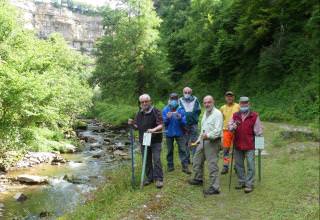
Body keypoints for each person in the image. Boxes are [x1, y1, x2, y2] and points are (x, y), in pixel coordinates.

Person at [188, 96, 223, 195]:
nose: (207, 104)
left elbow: (218, 130)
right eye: (205, 102)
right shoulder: (205, 113)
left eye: (209, 102)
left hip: (213, 142)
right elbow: (203, 129)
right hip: (203, 141)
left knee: (212, 165)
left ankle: (215, 188)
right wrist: (197, 141)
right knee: (196, 160)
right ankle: (199, 179)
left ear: (213, 102)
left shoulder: (217, 114)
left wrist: (207, 135)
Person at [128, 94, 164, 188]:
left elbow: (161, 124)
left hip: (156, 140)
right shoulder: (139, 113)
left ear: (150, 101)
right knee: (146, 160)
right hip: (144, 140)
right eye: (142, 102)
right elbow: (136, 127)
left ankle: (159, 179)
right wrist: (132, 124)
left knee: (156, 159)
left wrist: (153, 130)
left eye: (146, 101)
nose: (144, 103)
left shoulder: (156, 111)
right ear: (140, 103)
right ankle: (149, 178)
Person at [228, 96, 263, 193]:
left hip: (250, 145)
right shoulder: (235, 115)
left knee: (251, 165)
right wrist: (232, 127)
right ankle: (242, 181)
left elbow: (259, 131)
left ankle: (249, 184)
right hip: (238, 144)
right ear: (239, 104)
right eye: (242, 103)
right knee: (238, 165)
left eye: (245, 103)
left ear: (249, 104)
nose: (244, 105)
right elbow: (229, 126)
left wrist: (260, 145)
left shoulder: (254, 116)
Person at [162, 93, 191, 174]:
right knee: (169, 150)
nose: (173, 100)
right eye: (172, 98)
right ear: (169, 99)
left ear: (178, 99)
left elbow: (184, 123)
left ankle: (185, 167)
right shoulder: (165, 109)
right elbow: (163, 123)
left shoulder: (181, 109)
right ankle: (170, 166)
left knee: (182, 149)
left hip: (180, 132)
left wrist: (180, 118)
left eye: (175, 98)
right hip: (169, 133)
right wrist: (167, 118)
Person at [179, 87, 201, 164]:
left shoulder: (195, 99)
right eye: (185, 92)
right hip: (184, 125)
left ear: (191, 93)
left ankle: (194, 158)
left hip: (194, 124)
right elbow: (178, 111)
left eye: (188, 92)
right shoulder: (180, 100)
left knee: (194, 141)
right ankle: (186, 159)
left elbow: (199, 110)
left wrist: (194, 117)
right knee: (185, 142)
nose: (187, 94)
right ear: (183, 92)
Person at [219, 91, 240, 175]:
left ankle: (236, 166)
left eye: (231, 96)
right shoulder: (222, 108)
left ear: (233, 97)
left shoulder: (238, 106)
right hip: (226, 131)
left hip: (237, 131)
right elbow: (220, 120)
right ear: (225, 98)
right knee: (226, 150)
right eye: (227, 96)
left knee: (237, 149)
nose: (229, 98)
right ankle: (225, 166)